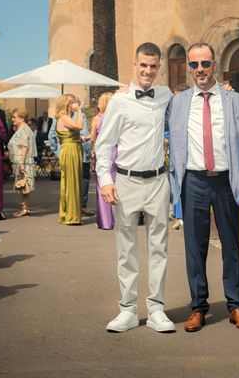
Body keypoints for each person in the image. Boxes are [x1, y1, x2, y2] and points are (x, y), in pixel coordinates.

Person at [168, 42, 239, 332]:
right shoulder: (178, 101)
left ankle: (236, 306)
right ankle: (198, 308)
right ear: (188, 67)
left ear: (215, 65)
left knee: (231, 246)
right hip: (193, 181)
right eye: (194, 64)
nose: (199, 70)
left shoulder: (234, 101)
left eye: (205, 64)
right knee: (194, 248)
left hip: (225, 181)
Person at [95, 42, 175, 333]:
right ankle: (127, 310)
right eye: (143, 65)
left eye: (153, 66)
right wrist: (105, 180)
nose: (148, 71)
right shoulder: (119, 101)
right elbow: (103, 145)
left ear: (159, 67)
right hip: (126, 181)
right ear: (134, 65)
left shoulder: (166, 95)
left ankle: (156, 310)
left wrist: (224, 89)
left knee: (159, 248)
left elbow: (192, 104)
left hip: (158, 181)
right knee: (126, 249)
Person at [55, 94, 84, 225]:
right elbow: (79, 126)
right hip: (70, 151)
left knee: (71, 182)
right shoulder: (64, 117)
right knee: (72, 182)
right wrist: (79, 112)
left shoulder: (65, 118)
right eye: (72, 102)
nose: (75, 104)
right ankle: (72, 216)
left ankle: (68, 213)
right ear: (66, 104)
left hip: (72, 148)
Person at [90, 92, 116, 230]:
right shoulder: (114, 117)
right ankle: (117, 219)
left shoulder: (97, 119)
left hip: (104, 154)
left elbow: (93, 138)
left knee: (103, 186)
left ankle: (105, 221)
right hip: (116, 152)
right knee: (116, 185)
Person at [8, 108, 37, 217]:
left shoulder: (24, 129)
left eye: (14, 117)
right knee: (23, 185)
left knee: (24, 185)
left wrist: (21, 162)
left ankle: (25, 208)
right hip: (22, 160)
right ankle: (25, 207)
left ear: (22, 118)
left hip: (23, 160)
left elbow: (24, 146)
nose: (12, 119)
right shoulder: (22, 128)